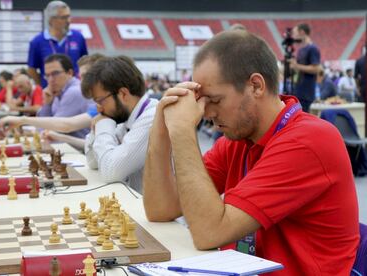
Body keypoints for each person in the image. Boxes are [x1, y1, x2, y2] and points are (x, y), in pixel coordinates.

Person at [143, 30, 359, 275]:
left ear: (255, 86)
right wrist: (160, 130)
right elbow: (161, 210)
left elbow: (209, 232)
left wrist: (183, 131)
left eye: (214, 100)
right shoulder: (238, 139)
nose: (206, 113)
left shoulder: (309, 141)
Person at [81, 56, 158, 192]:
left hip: (163, 212)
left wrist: (103, 124)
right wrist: (96, 130)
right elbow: (93, 162)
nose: (99, 108)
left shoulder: (152, 117)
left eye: (100, 101)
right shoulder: (126, 118)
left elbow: (110, 171)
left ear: (123, 94)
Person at [0, 54, 103, 149]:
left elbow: (61, 126)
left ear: (70, 73)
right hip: (72, 149)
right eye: (47, 75)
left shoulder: (74, 91)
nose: (51, 79)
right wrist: (47, 104)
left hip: (77, 153)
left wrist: (22, 120)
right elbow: (47, 129)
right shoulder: (57, 91)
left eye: (55, 73)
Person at [27, 0, 88, 87]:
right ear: (51, 20)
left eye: (69, 16)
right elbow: (31, 69)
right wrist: (43, 85)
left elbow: (85, 62)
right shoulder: (37, 42)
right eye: (64, 17)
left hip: (75, 90)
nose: (68, 21)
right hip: (51, 93)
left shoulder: (78, 37)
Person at [289, 23, 321, 112]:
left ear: (302, 32)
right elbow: (300, 69)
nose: (293, 36)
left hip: (306, 93)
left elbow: (316, 69)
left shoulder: (312, 48)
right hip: (299, 90)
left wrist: (297, 66)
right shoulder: (301, 49)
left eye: (295, 33)